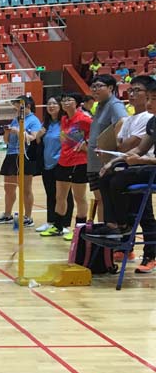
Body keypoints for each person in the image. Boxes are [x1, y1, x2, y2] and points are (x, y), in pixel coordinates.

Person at [85, 76, 156, 273]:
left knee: (123, 185)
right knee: (107, 177)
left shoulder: (144, 118)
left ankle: (129, 233)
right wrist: (112, 162)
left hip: (148, 169)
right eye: (149, 98)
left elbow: (128, 147)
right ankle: (115, 226)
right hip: (139, 167)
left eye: (152, 98)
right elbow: (136, 149)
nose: (149, 102)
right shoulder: (151, 123)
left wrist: (140, 160)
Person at [42, 93, 92, 238]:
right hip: (64, 161)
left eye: (69, 100)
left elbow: (96, 134)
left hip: (79, 162)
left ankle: (79, 230)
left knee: (79, 197)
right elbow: (64, 138)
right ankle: (58, 226)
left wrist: (86, 144)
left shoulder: (84, 119)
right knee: (60, 196)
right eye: (63, 100)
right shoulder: (64, 119)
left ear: (77, 103)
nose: (65, 102)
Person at [0, 98, 43, 228]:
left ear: (27, 106)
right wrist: (7, 133)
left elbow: (33, 138)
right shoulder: (16, 119)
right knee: (8, 188)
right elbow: (7, 141)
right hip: (11, 154)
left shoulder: (34, 120)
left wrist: (18, 131)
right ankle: (7, 215)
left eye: (17, 106)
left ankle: (28, 217)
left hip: (25, 155)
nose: (15, 109)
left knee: (25, 189)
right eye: (15, 107)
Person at [86, 75, 128, 223]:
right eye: (93, 86)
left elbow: (122, 122)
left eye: (99, 86)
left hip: (106, 162)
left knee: (106, 199)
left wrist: (111, 146)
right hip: (94, 161)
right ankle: (102, 227)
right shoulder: (100, 105)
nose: (94, 90)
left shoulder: (114, 105)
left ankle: (109, 228)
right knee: (100, 199)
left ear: (110, 88)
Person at [37, 98, 74, 234]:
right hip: (47, 164)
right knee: (50, 193)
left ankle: (65, 224)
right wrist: (38, 137)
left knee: (64, 195)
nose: (51, 106)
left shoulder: (64, 123)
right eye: (49, 104)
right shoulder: (45, 124)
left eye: (54, 103)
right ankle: (51, 222)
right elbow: (40, 144)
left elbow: (71, 142)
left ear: (60, 106)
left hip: (61, 163)